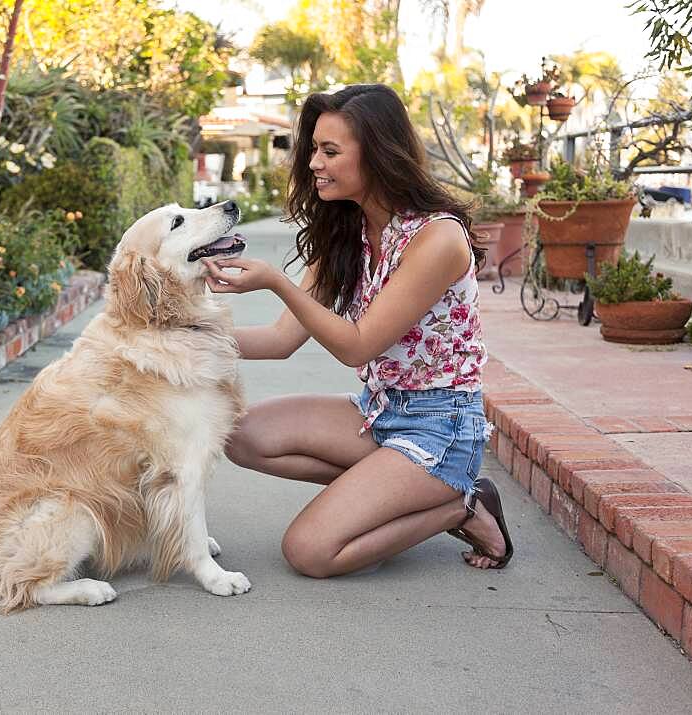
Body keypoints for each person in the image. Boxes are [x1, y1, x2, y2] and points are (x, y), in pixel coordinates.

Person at [203, 84, 514, 578]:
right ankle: (389, 491)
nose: (313, 164)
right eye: (313, 151)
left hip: (441, 426)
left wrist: (277, 282)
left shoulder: (437, 237)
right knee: (241, 434)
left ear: (377, 153)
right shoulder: (348, 232)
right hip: (380, 411)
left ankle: (461, 504)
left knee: (310, 551)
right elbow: (282, 340)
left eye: (330, 152)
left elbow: (358, 345)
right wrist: (181, 336)